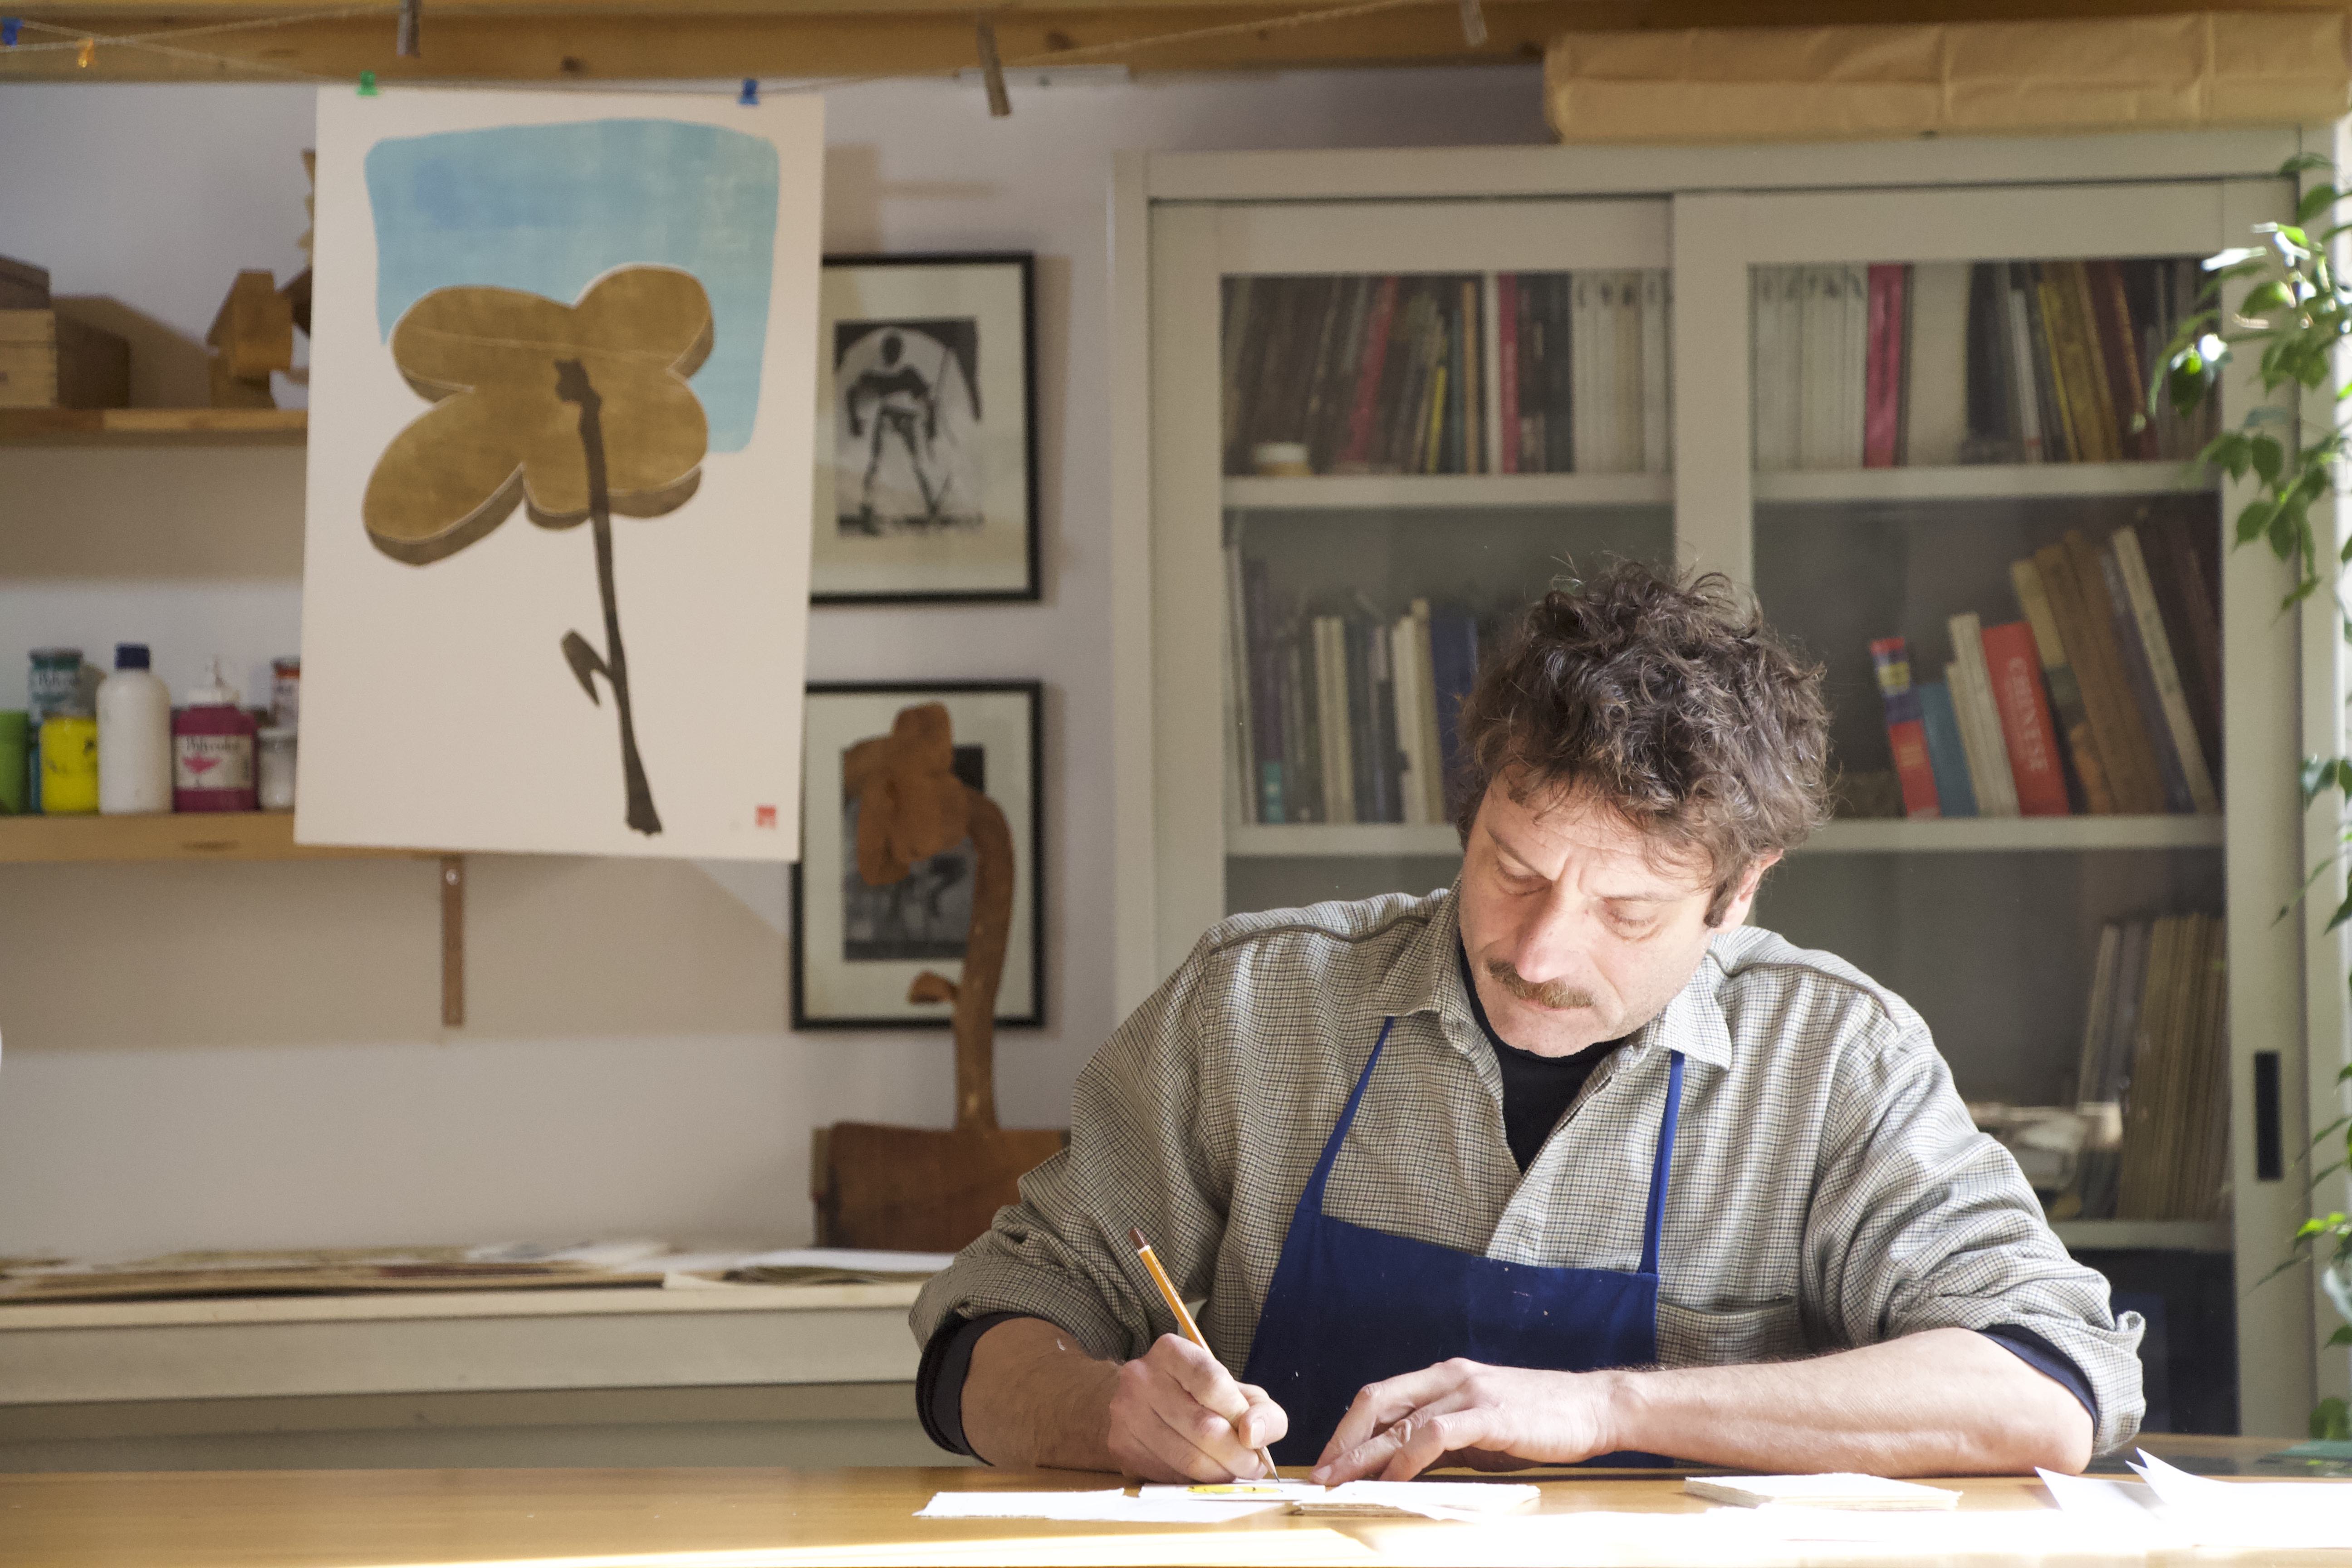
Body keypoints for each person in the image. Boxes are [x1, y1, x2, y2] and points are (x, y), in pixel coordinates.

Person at [910, 563, 2141, 1483]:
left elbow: (2048, 1383)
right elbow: (982, 1334)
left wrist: (1611, 1407)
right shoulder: (1252, 1007)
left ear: (1739, 891)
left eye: (1626, 910)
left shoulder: (1832, 1063)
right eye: (1512, 868)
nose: (1540, 952)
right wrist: (1106, 1413)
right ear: (1471, 812)